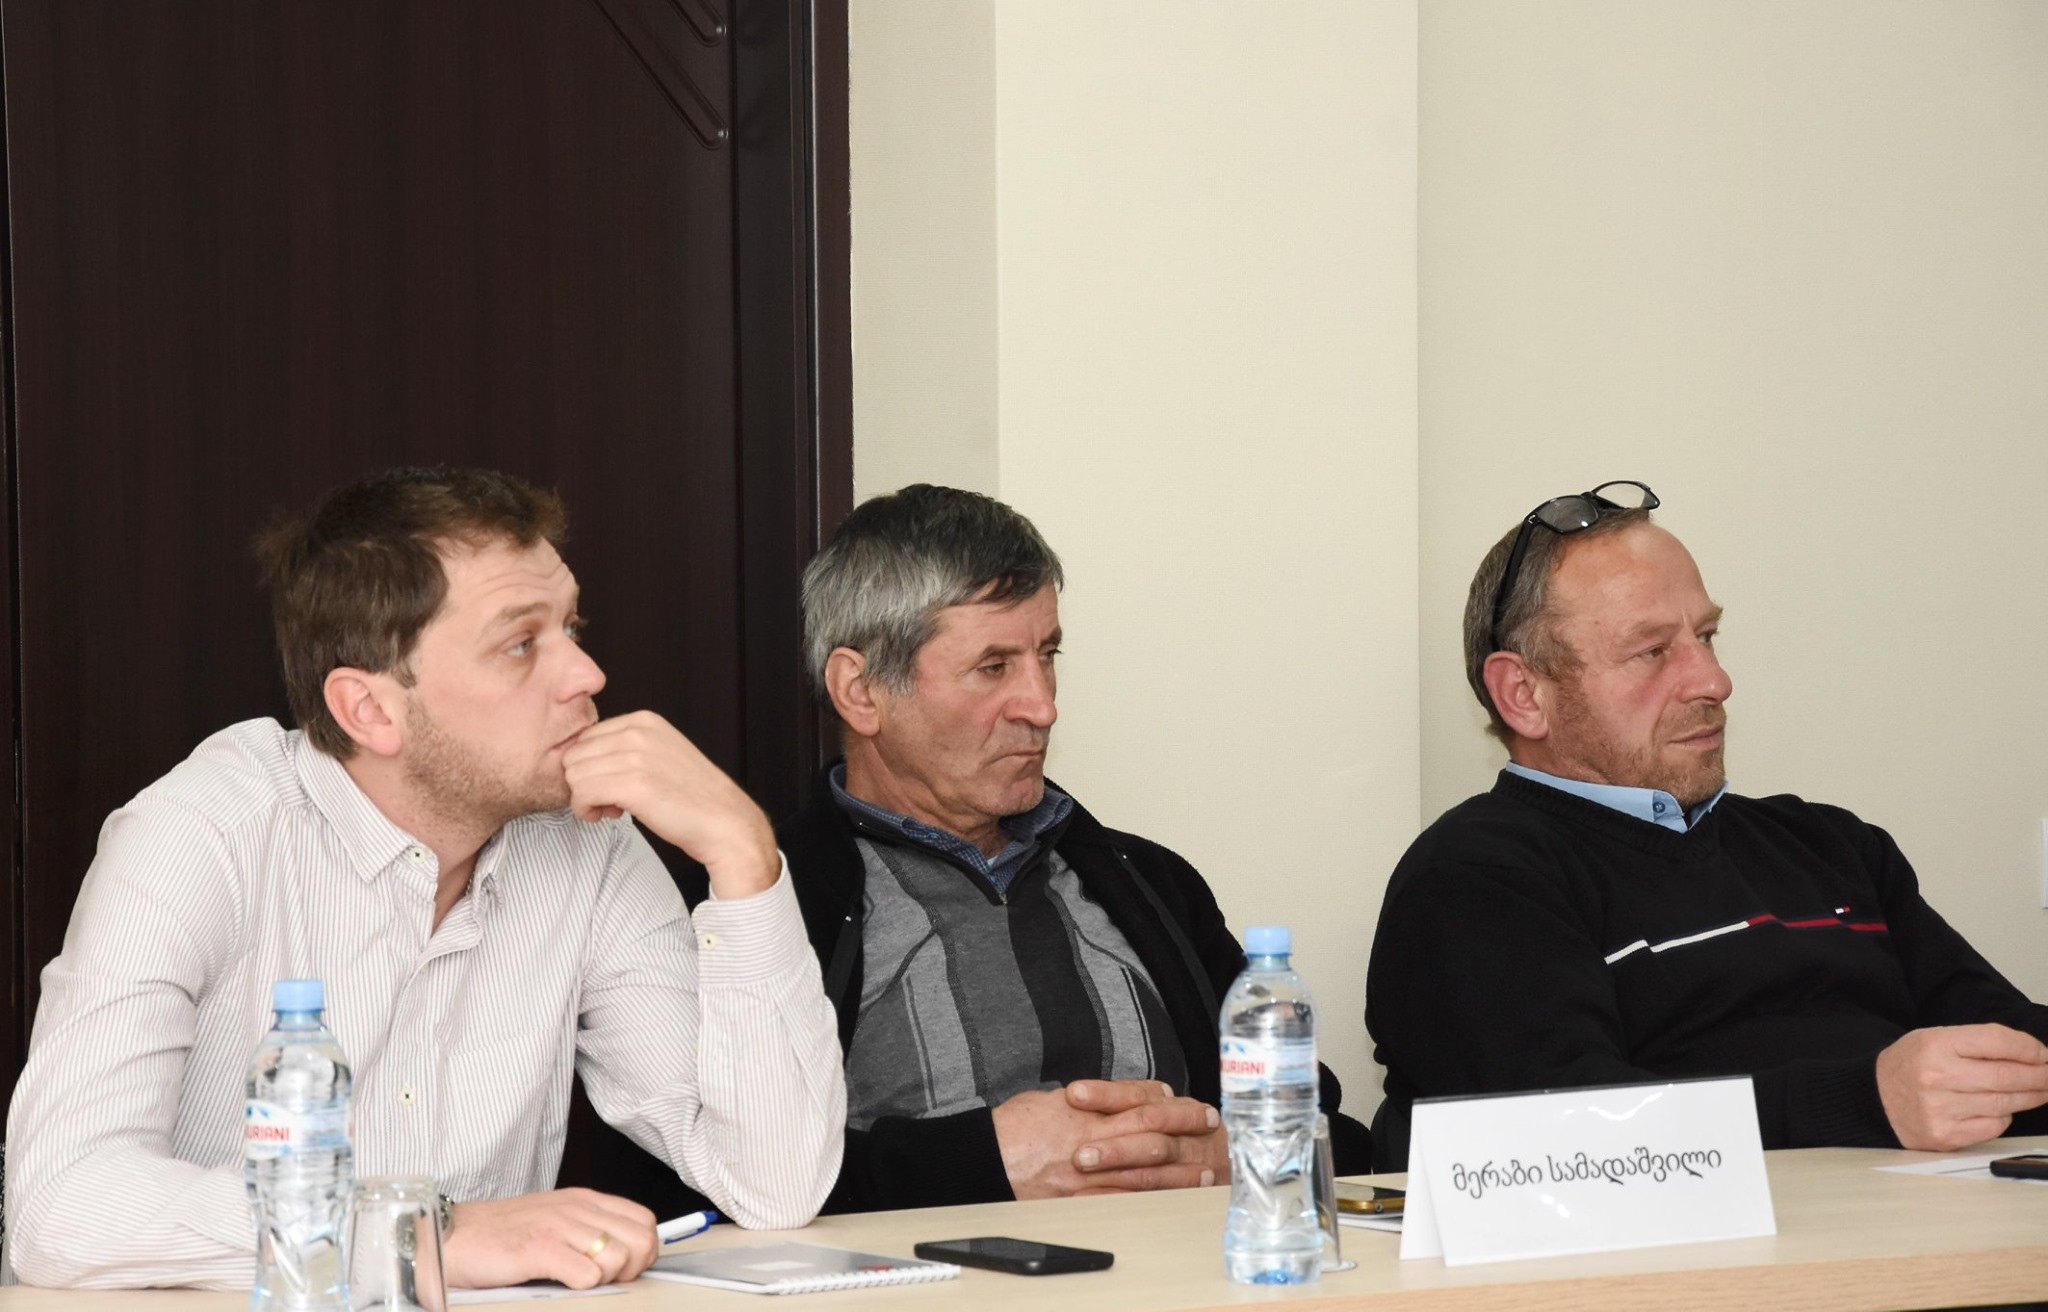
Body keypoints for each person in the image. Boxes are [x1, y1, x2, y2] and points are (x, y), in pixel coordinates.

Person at [5, 467, 845, 1290]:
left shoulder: (592, 841)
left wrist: (743, 856)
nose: (587, 676)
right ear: (370, 710)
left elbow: (773, 1183)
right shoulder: (202, 832)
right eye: (521, 644)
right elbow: (62, 1207)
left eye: (571, 627)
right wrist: (422, 1234)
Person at [1365, 480, 2048, 1170]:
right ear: (1523, 694)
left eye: (1707, 636)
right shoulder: (1476, 877)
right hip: (1710, 1237)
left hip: (1937, 1218)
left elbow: (2012, 1052)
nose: (1714, 681)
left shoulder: (1831, 846)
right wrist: (1866, 1101)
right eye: (1652, 651)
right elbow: (1562, 1133)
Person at [775, 483, 1369, 1212]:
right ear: (861, 691)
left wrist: (1233, 1153)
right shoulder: (766, 908)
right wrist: (982, 1165)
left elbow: (1340, 1139)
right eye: (994, 667)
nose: (1043, 706)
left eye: (1047, 655)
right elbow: (716, 1188)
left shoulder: (1149, 883)